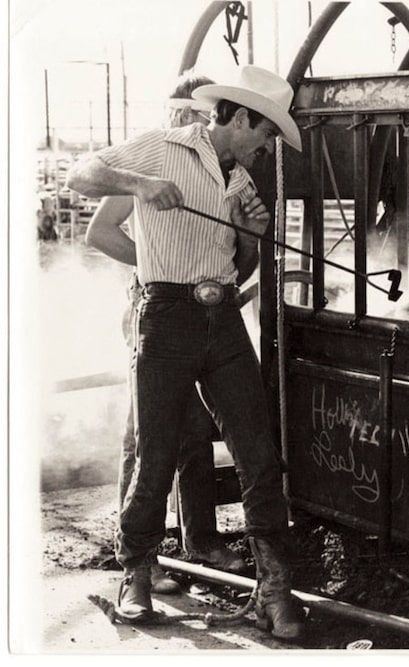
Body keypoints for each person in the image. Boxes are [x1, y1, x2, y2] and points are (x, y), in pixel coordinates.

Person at [67, 65, 305, 639]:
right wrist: (138, 186)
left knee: (258, 453)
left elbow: (241, 267)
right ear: (243, 117)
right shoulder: (162, 148)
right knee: (155, 454)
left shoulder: (243, 184)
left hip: (222, 319)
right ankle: (136, 575)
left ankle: (275, 589)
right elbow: (81, 173)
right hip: (165, 318)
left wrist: (249, 237)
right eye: (266, 134)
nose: (267, 147)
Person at [85, 72, 246, 597]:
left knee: (190, 430)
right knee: (150, 435)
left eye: (202, 118)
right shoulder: (153, 158)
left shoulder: (220, 169)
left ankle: (198, 539)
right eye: (191, 116)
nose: (196, 126)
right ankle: (137, 555)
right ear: (178, 113)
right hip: (151, 309)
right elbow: (100, 232)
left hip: (199, 311)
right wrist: (156, 265)